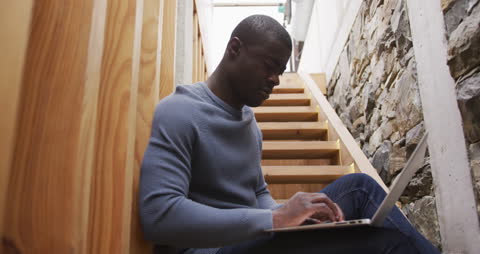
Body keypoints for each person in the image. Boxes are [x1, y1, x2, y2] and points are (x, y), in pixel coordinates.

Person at [139, 15, 440, 254]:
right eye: (270, 66)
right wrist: (274, 219)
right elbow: (159, 215)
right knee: (384, 244)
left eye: (281, 71)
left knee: (360, 188)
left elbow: (256, 194)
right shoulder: (179, 110)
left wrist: (290, 214)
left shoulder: (249, 123)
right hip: (210, 250)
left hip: (254, 237)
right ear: (234, 48)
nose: (276, 80)